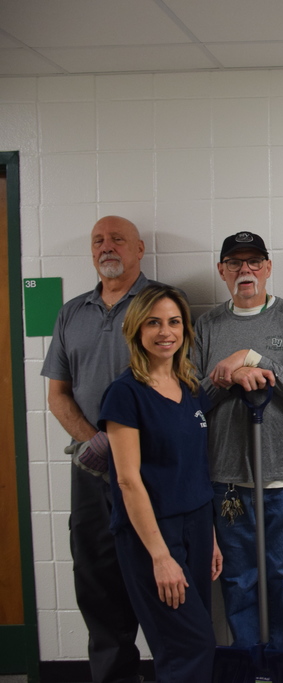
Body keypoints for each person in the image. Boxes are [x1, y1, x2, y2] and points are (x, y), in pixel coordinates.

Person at [193, 231, 283, 652]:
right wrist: (227, 377)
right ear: (222, 271)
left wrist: (254, 358)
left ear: (268, 268)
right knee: (238, 579)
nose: (245, 270)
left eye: (254, 262)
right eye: (234, 263)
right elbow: (192, 402)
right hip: (229, 481)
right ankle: (249, 666)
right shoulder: (207, 326)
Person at [41, 215, 157, 683]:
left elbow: (177, 385)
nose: (107, 247)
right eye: (98, 241)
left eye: (117, 239)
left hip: (152, 469)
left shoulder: (161, 303)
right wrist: (97, 442)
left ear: (139, 249)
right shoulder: (72, 312)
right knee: (96, 581)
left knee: (159, 576)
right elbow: (57, 394)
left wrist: (128, 444)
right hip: (91, 471)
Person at [98, 284, 220, 682]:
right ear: (136, 329)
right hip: (153, 533)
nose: (165, 332)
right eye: (153, 322)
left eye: (174, 322)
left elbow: (195, 467)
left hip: (198, 526)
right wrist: (160, 556)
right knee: (187, 646)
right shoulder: (124, 393)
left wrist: (212, 537)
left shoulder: (191, 388)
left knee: (196, 641)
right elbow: (128, 480)